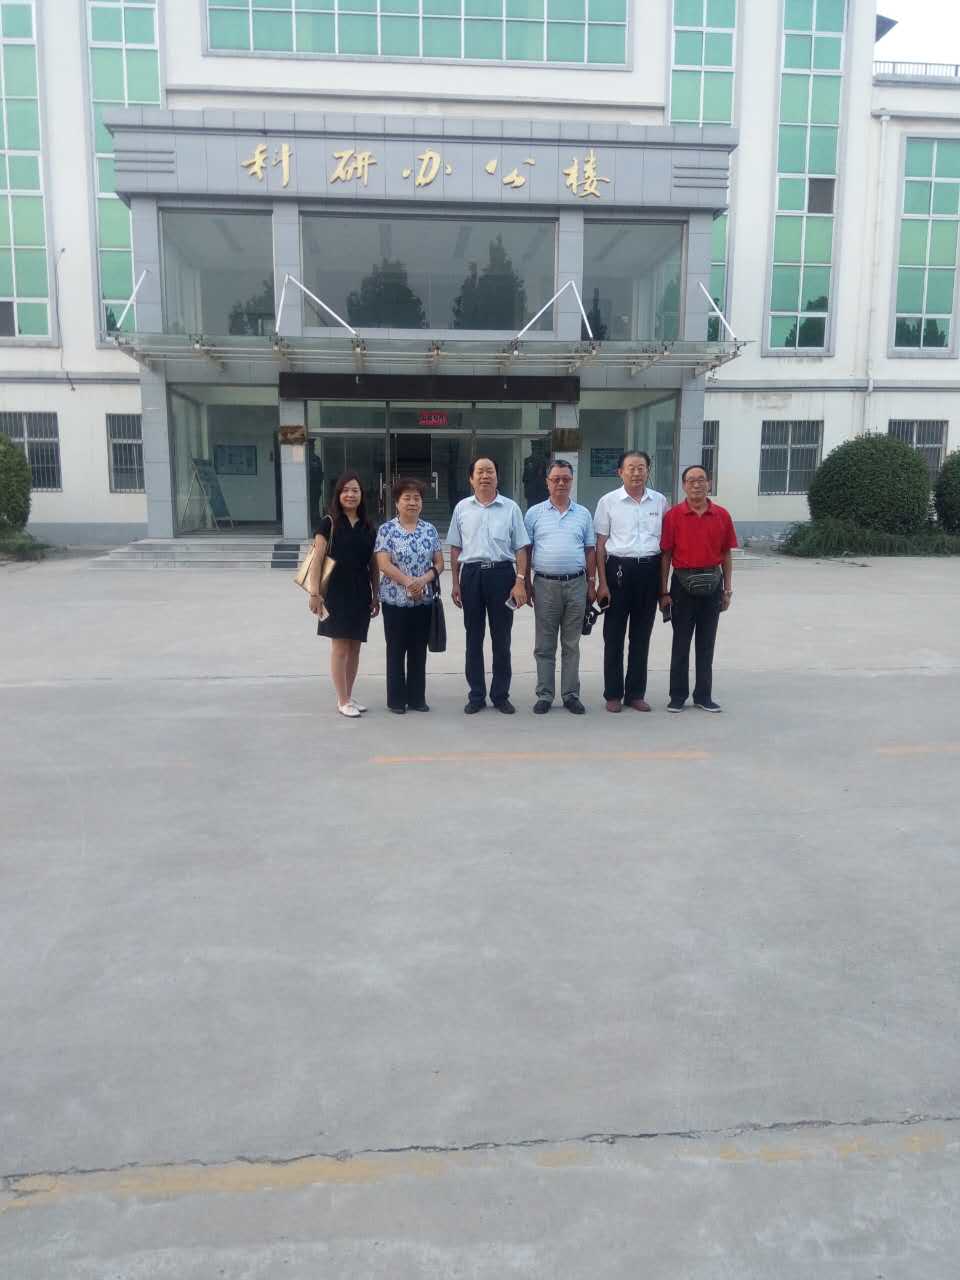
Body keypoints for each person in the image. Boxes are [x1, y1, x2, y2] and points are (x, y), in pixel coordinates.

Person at [448, 456, 530, 715]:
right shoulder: (462, 508)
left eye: (490, 471)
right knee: (473, 638)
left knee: (501, 639)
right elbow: (455, 548)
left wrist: (520, 582)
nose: (485, 476)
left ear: (497, 476)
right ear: (471, 479)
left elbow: (521, 547)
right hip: (471, 576)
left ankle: (500, 695)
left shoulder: (511, 508)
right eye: (480, 472)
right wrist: (455, 583)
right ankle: (476, 695)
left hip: (502, 576)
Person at [593, 450, 668, 713]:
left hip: (649, 570)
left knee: (641, 635)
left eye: (641, 467)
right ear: (620, 472)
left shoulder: (659, 501)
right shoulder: (608, 502)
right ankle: (613, 693)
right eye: (631, 468)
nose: (636, 473)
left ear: (648, 471)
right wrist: (602, 583)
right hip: (618, 571)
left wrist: (663, 588)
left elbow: (665, 546)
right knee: (613, 635)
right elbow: (600, 546)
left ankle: (635, 693)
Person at [659, 464, 738, 713]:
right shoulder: (673, 516)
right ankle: (678, 696)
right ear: (684, 485)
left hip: (712, 585)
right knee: (681, 643)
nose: (697, 484)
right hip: (682, 586)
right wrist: (663, 591)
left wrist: (727, 589)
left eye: (701, 479)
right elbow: (666, 555)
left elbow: (726, 554)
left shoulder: (722, 515)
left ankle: (703, 695)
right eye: (691, 480)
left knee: (706, 643)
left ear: (709, 484)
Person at [523, 459, 596, 715]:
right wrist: (525, 582)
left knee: (571, 644)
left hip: (576, 584)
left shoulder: (583, 514)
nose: (561, 483)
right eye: (556, 479)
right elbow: (526, 550)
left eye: (566, 479)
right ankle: (545, 694)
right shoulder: (534, 514)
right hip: (545, 585)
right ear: (547, 482)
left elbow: (590, 550)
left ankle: (570, 695)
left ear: (572, 481)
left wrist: (592, 583)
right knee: (544, 645)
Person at [307, 471, 380, 719]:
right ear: (338, 495)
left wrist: (376, 594)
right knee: (340, 647)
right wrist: (314, 593)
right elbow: (317, 559)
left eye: (355, 490)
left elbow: (374, 564)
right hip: (335, 592)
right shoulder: (328, 523)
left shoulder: (368, 526)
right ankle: (342, 700)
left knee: (355, 647)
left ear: (362, 495)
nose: (350, 495)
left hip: (361, 591)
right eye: (345, 490)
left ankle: (348, 695)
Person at [374, 477, 444, 714]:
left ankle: (416, 698)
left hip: (423, 600)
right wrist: (408, 582)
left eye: (417, 498)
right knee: (396, 649)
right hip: (395, 600)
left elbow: (439, 562)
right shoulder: (387, 530)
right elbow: (383, 563)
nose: (412, 502)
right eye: (407, 498)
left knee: (418, 650)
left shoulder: (429, 530)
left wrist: (423, 581)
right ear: (397, 502)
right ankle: (396, 700)